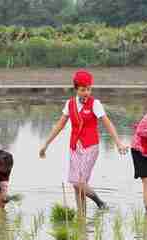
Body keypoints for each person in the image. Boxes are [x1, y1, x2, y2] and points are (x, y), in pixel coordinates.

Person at [39, 70, 128, 215]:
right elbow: (59, 125)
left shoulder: (95, 104)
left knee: (78, 182)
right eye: (83, 90)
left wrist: (118, 143)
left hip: (91, 146)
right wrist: (46, 145)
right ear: (76, 89)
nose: (86, 92)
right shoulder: (69, 104)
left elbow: (108, 123)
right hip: (74, 147)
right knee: (76, 185)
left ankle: (99, 202)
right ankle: (82, 217)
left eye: (88, 89)